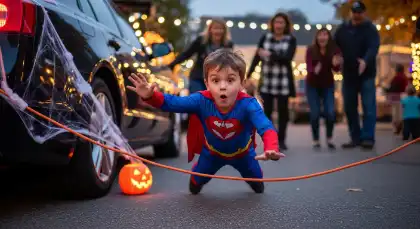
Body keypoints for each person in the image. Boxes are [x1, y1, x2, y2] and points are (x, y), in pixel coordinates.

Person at [127, 49, 285, 194]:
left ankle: (256, 183)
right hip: (211, 154)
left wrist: (271, 147)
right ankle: (196, 182)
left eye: (230, 80)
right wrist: (149, 96)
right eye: (216, 81)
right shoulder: (201, 100)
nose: (223, 86)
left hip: (244, 155)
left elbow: (265, 126)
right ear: (207, 83)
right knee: (195, 184)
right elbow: (173, 103)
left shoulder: (249, 104)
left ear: (241, 83)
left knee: (258, 185)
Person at [246, 12, 297, 151]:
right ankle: (271, 138)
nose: (279, 25)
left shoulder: (290, 39)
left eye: (281, 22)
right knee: (266, 112)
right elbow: (257, 57)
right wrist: (249, 74)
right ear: (272, 24)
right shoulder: (265, 37)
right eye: (276, 22)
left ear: (286, 24)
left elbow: (287, 58)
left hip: (283, 81)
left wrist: (270, 54)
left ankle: (282, 140)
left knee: (283, 112)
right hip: (267, 81)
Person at [333, 1, 380, 149]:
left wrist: (365, 61)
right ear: (351, 13)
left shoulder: (370, 29)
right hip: (349, 74)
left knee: (368, 106)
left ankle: (368, 138)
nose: (357, 15)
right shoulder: (343, 29)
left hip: (367, 73)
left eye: (360, 12)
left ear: (364, 13)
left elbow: (373, 47)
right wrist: (336, 57)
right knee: (349, 107)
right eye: (355, 12)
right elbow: (334, 46)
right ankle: (355, 137)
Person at [167, 18, 234, 94]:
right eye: (215, 28)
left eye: (221, 29)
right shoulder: (201, 41)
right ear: (210, 30)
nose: (218, 31)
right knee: (197, 98)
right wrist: (172, 64)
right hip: (198, 77)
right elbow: (187, 54)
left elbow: (229, 62)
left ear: (225, 31)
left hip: (217, 79)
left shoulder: (228, 45)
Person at [305, 28, 342, 149]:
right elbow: (309, 67)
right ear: (316, 38)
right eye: (320, 35)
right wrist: (314, 69)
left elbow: (336, 69)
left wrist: (337, 64)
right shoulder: (311, 50)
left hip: (327, 85)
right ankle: (316, 139)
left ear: (328, 38)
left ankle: (329, 138)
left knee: (330, 112)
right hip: (312, 85)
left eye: (325, 35)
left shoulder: (334, 50)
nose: (322, 37)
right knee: (315, 113)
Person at [385, 64, 409, 134]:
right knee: (401, 113)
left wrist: (387, 90)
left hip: (396, 97)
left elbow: (393, 87)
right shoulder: (405, 77)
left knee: (396, 114)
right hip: (403, 96)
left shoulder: (396, 77)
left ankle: (397, 128)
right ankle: (401, 127)